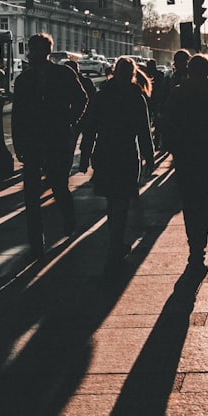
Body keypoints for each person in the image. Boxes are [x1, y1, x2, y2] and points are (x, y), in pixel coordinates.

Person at [11, 33, 88, 258]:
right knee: (32, 195)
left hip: (57, 138)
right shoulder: (23, 80)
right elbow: (17, 116)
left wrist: (70, 119)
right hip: (34, 141)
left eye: (35, 50)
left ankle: (69, 219)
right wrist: (18, 144)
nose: (31, 54)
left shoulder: (63, 73)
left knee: (58, 186)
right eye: (30, 50)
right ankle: (36, 241)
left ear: (46, 52)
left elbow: (82, 98)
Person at [79, 57, 155, 269]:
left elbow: (90, 129)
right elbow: (143, 132)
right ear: (132, 73)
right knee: (121, 201)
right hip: (127, 154)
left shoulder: (102, 96)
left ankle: (115, 241)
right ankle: (115, 243)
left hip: (104, 152)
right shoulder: (136, 97)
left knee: (113, 200)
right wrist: (149, 157)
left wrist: (85, 157)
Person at [162, 53, 208, 272]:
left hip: (185, 155)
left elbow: (168, 123)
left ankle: (194, 247)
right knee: (204, 202)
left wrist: (171, 148)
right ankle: (199, 248)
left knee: (189, 203)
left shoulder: (178, 92)